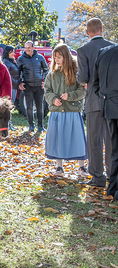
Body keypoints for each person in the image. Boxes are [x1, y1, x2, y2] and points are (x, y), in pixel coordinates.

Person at [77, 18, 113, 187]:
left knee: (94, 140)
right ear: (102, 29)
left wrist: (80, 79)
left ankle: (98, 177)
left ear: (87, 32)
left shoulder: (83, 50)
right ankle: (114, 175)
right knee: (112, 139)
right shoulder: (114, 48)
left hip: (93, 99)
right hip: (113, 99)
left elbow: (83, 77)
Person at [44, 43, 88, 177]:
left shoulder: (76, 73)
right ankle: (59, 167)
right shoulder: (52, 74)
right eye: (55, 57)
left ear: (66, 57)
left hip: (72, 111)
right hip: (57, 111)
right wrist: (53, 99)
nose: (57, 60)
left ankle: (81, 167)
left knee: (77, 138)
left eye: (59, 57)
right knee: (57, 138)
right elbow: (47, 90)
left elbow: (82, 90)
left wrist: (70, 96)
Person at [93, 44, 118, 200]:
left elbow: (96, 84)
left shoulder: (103, 52)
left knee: (115, 150)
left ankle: (113, 189)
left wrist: (105, 99)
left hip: (108, 106)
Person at [17, 40, 48, 132]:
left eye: (29, 48)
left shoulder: (40, 57)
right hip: (28, 86)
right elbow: (17, 73)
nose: (27, 50)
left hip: (39, 86)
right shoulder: (21, 59)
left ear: (33, 48)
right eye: (25, 48)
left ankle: (40, 126)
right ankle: (31, 125)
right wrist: (20, 83)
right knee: (29, 107)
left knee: (40, 106)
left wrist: (45, 82)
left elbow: (46, 70)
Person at [2, 45, 19, 130]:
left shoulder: (12, 61)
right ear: (7, 52)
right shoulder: (5, 62)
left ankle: (9, 124)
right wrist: (15, 82)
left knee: (11, 106)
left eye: (13, 51)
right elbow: (7, 75)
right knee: (8, 106)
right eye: (11, 52)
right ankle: (7, 125)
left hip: (15, 86)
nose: (13, 53)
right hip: (10, 86)